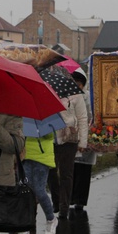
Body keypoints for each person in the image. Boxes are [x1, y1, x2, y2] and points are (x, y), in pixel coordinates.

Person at [12, 130, 58, 234]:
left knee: (39, 190)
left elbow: (50, 134)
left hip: (42, 158)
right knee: (24, 191)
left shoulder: (46, 117)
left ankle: (51, 219)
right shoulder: (24, 118)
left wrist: (37, 130)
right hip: (25, 156)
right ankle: (25, 229)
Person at [48, 88, 89, 219]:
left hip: (69, 138)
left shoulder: (75, 95)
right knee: (51, 170)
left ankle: (64, 206)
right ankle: (56, 201)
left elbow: (82, 118)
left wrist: (83, 142)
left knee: (66, 173)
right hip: (50, 137)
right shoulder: (46, 91)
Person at [70, 69, 96, 215]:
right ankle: (70, 197)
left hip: (85, 135)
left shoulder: (88, 98)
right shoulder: (67, 96)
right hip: (71, 137)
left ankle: (80, 200)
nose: (76, 86)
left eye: (78, 84)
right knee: (71, 169)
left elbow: (90, 116)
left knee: (84, 171)